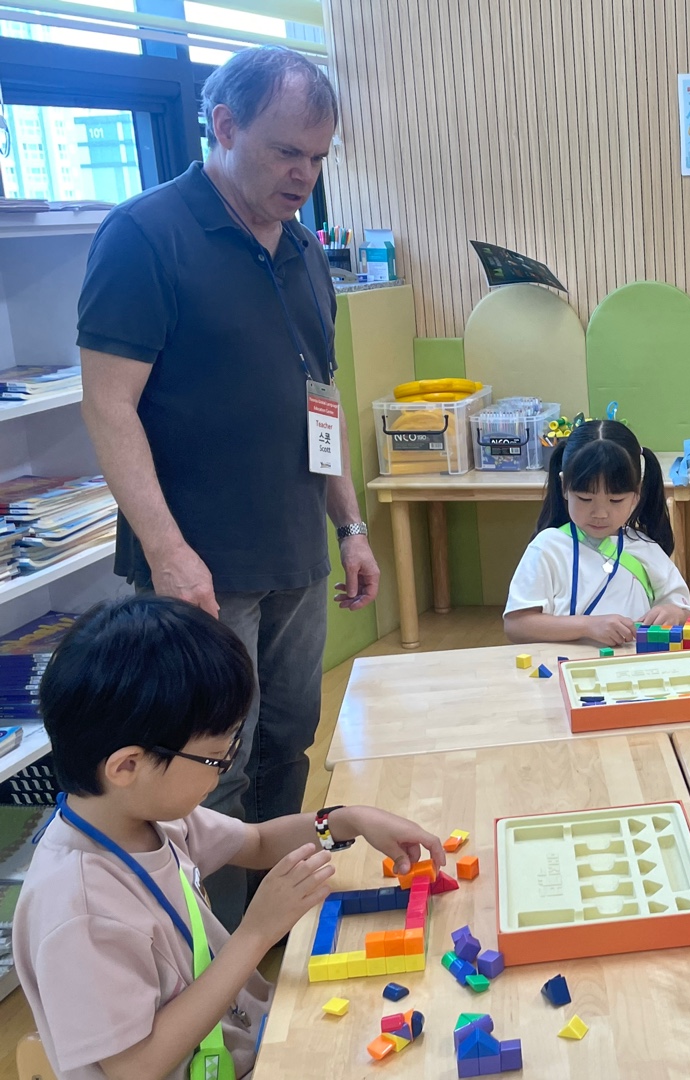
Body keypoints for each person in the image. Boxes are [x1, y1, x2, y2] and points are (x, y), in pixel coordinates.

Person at [76, 46, 379, 929]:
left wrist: (350, 524)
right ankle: (218, 961)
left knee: (289, 742)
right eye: (289, 151)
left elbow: (319, 397)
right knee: (212, 770)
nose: (305, 174)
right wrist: (170, 555)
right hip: (202, 568)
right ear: (223, 127)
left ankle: (272, 927)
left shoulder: (304, 247)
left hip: (295, 552)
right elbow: (108, 406)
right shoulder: (145, 236)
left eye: (320, 157)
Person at [15, 596, 444, 1080]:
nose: (223, 772)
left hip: (248, 1040)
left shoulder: (143, 817)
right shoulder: (78, 909)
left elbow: (257, 842)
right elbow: (135, 1067)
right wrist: (257, 933)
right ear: (127, 766)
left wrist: (347, 820)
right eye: (215, 759)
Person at [505, 419, 690, 646]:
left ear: (636, 494)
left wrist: (673, 612)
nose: (600, 513)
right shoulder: (548, 547)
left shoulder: (645, 547)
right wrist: (588, 625)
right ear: (565, 486)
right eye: (585, 499)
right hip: (564, 668)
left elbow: (683, 610)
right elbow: (517, 625)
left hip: (633, 668)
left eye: (615, 500)